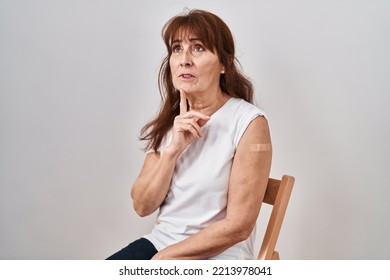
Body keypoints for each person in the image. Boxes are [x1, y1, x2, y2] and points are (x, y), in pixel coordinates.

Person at [107, 9, 272, 260]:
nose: (184, 59)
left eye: (198, 48)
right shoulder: (170, 123)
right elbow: (142, 205)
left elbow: (239, 226)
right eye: (176, 49)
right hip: (160, 243)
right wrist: (172, 150)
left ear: (224, 64)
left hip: (219, 256)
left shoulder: (248, 122)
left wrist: (166, 258)